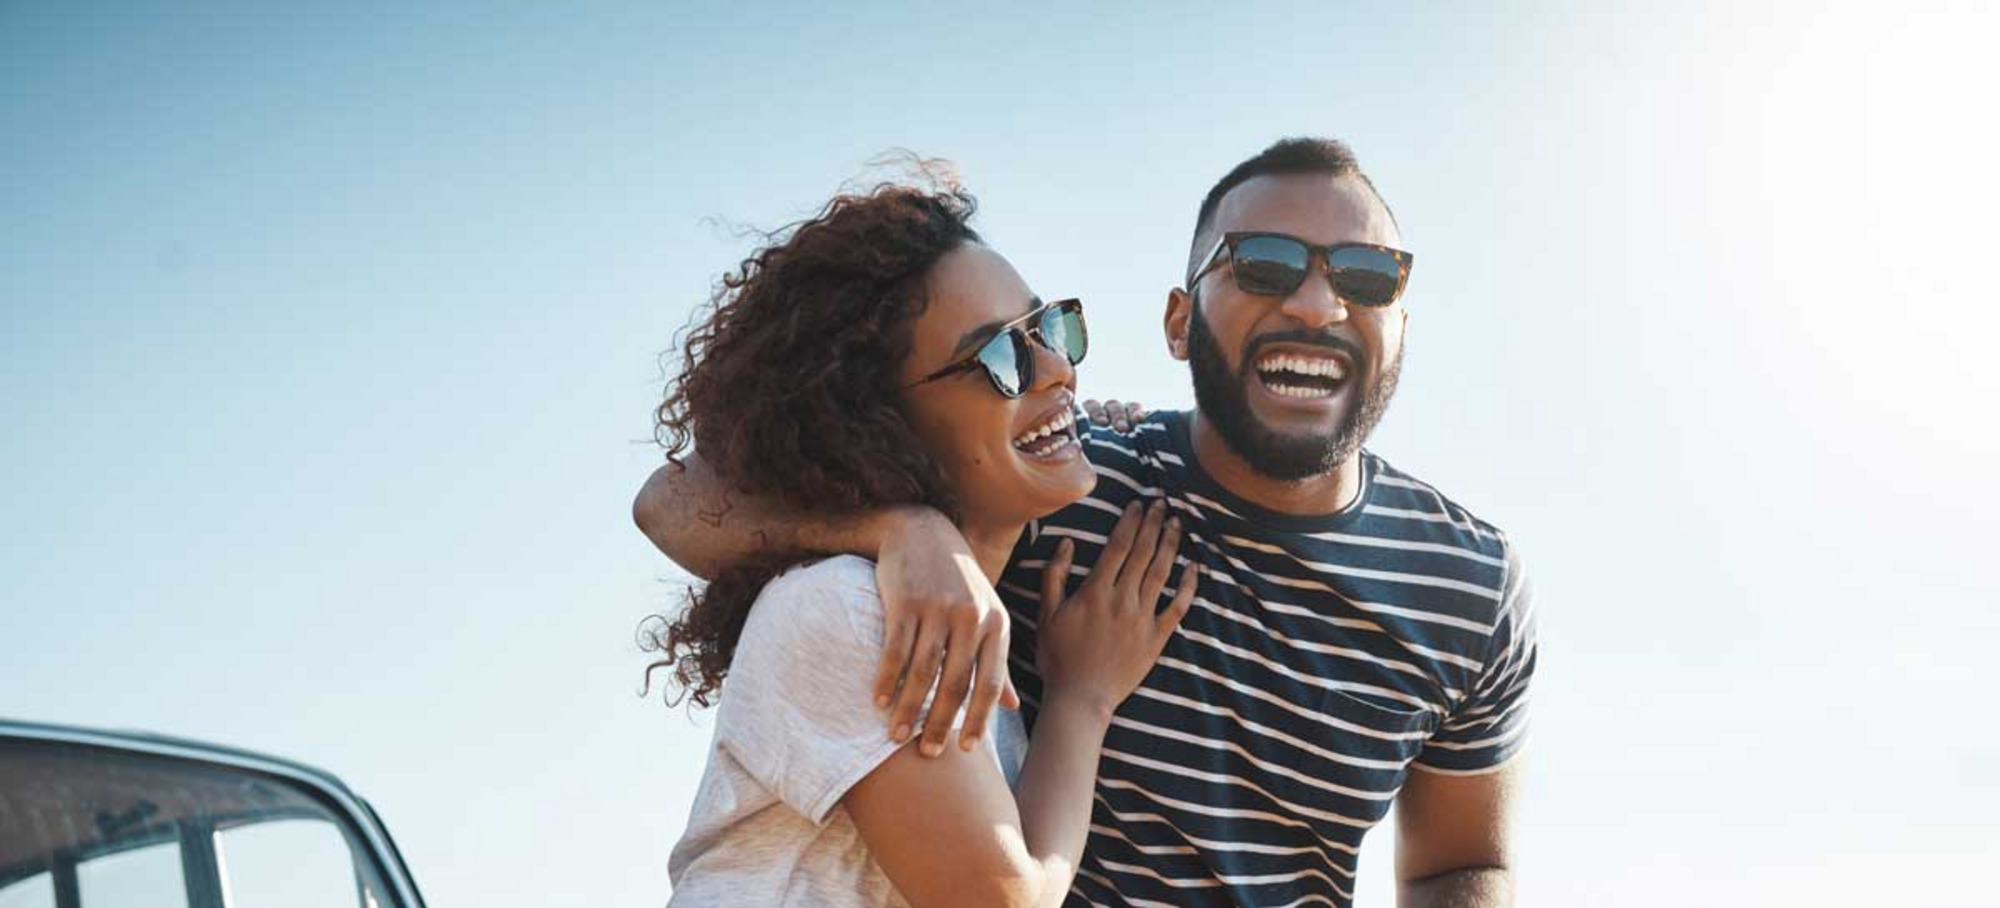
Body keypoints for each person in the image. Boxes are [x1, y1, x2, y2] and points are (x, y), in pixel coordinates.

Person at [636, 138, 1537, 908]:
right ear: (1179, 323)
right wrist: (902, 528)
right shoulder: (1062, 481)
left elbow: (1463, 863)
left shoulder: (1473, 586)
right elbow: (676, 502)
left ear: (1404, 322)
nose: (1315, 304)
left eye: (1366, 275)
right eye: (1263, 265)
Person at [642, 169, 1198, 908]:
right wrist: (1083, 698)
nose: (1057, 368)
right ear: (878, 423)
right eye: (1002, 358)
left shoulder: (945, 636)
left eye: (1050, 329)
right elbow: (1008, 901)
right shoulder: (846, 607)